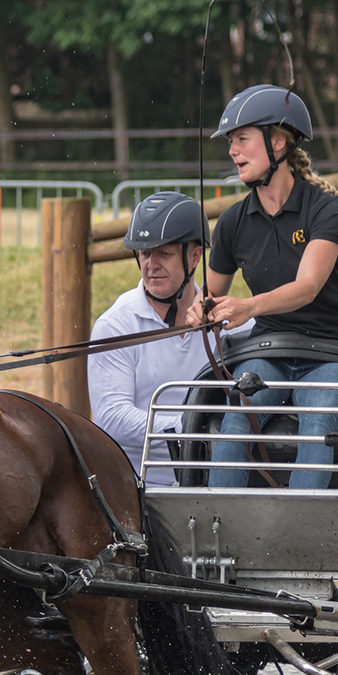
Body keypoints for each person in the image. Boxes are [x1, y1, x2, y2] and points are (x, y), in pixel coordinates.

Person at [184, 84, 338, 489]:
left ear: (277, 143)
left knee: (321, 416)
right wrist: (200, 306)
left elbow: (308, 286)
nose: (232, 151)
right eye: (230, 143)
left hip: (330, 350)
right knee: (236, 416)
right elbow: (210, 290)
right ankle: (219, 536)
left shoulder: (324, 208)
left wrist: (249, 307)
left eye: (242, 140)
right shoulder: (233, 222)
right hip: (269, 351)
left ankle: (301, 541)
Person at [90, 191, 238, 486]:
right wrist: (193, 425)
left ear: (195, 256)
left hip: (218, 484)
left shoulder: (232, 325)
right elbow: (112, 418)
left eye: (164, 253)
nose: (151, 264)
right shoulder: (115, 325)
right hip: (136, 488)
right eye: (145, 253)